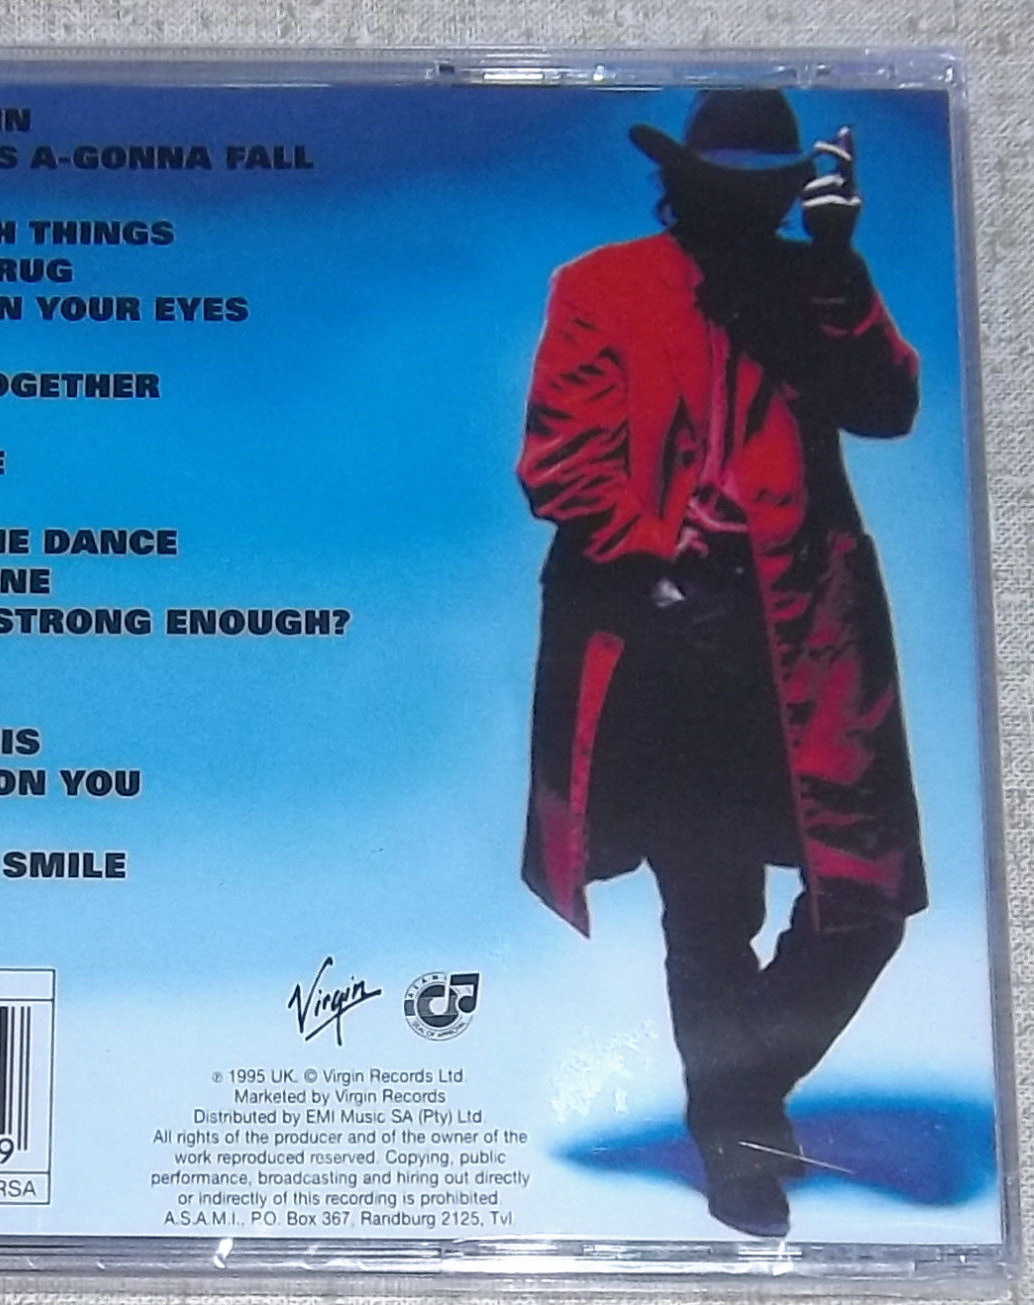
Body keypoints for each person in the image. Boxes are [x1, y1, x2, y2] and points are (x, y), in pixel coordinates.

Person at [517, 89, 928, 1239]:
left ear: (788, 192)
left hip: (809, 636)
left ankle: (736, 1095)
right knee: (708, 911)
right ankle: (732, 1141)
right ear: (680, 183)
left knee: (865, 904)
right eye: (718, 184)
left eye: (765, 187)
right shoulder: (598, 285)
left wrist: (836, 259)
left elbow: (886, 404)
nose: (739, 205)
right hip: (668, 644)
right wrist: (659, 572)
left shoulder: (811, 283)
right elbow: (559, 463)